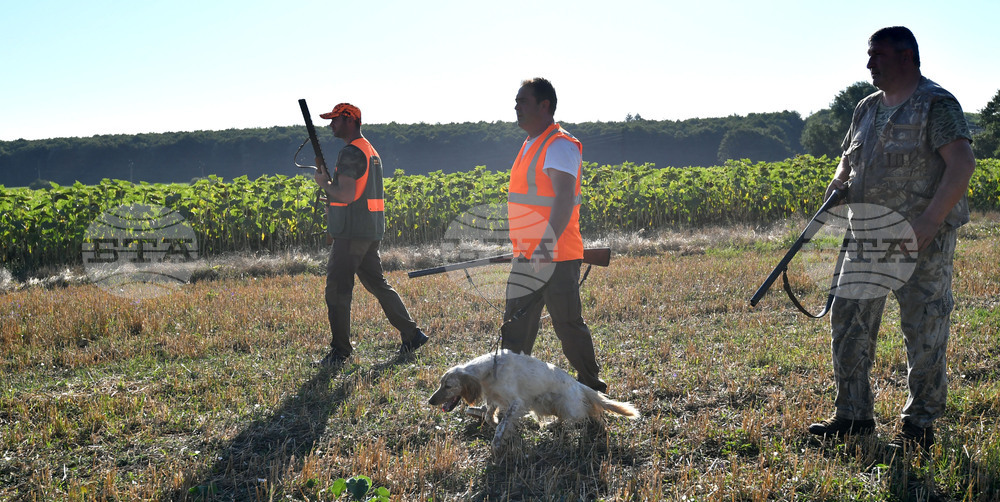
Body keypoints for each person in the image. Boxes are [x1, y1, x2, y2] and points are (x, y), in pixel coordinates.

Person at [809, 27, 976, 450]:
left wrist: (930, 221)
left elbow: (961, 164)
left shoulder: (936, 103)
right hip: (865, 237)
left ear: (906, 57)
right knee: (848, 323)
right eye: (869, 56)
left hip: (919, 241)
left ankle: (919, 427)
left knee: (924, 330)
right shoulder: (865, 108)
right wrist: (837, 185)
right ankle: (852, 416)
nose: (869, 65)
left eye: (877, 56)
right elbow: (847, 160)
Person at [500, 78, 608, 393]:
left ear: (544, 105)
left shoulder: (559, 144)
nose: (516, 106)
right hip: (529, 254)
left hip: (555, 255)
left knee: (568, 326)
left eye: (522, 100)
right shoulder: (530, 143)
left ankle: (591, 388)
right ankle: (507, 396)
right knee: (514, 328)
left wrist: (545, 246)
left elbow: (562, 198)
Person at [312, 103, 428, 365]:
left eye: (335, 120)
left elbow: (347, 193)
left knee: (337, 291)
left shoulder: (351, 152)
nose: (331, 125)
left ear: (350, 120)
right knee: (378, 284)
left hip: (352, 234)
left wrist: (324, 184)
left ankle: (340, 352)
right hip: (368, 230)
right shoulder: (370, 150)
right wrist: (333, 196)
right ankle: (412, 334)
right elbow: (355, 194)